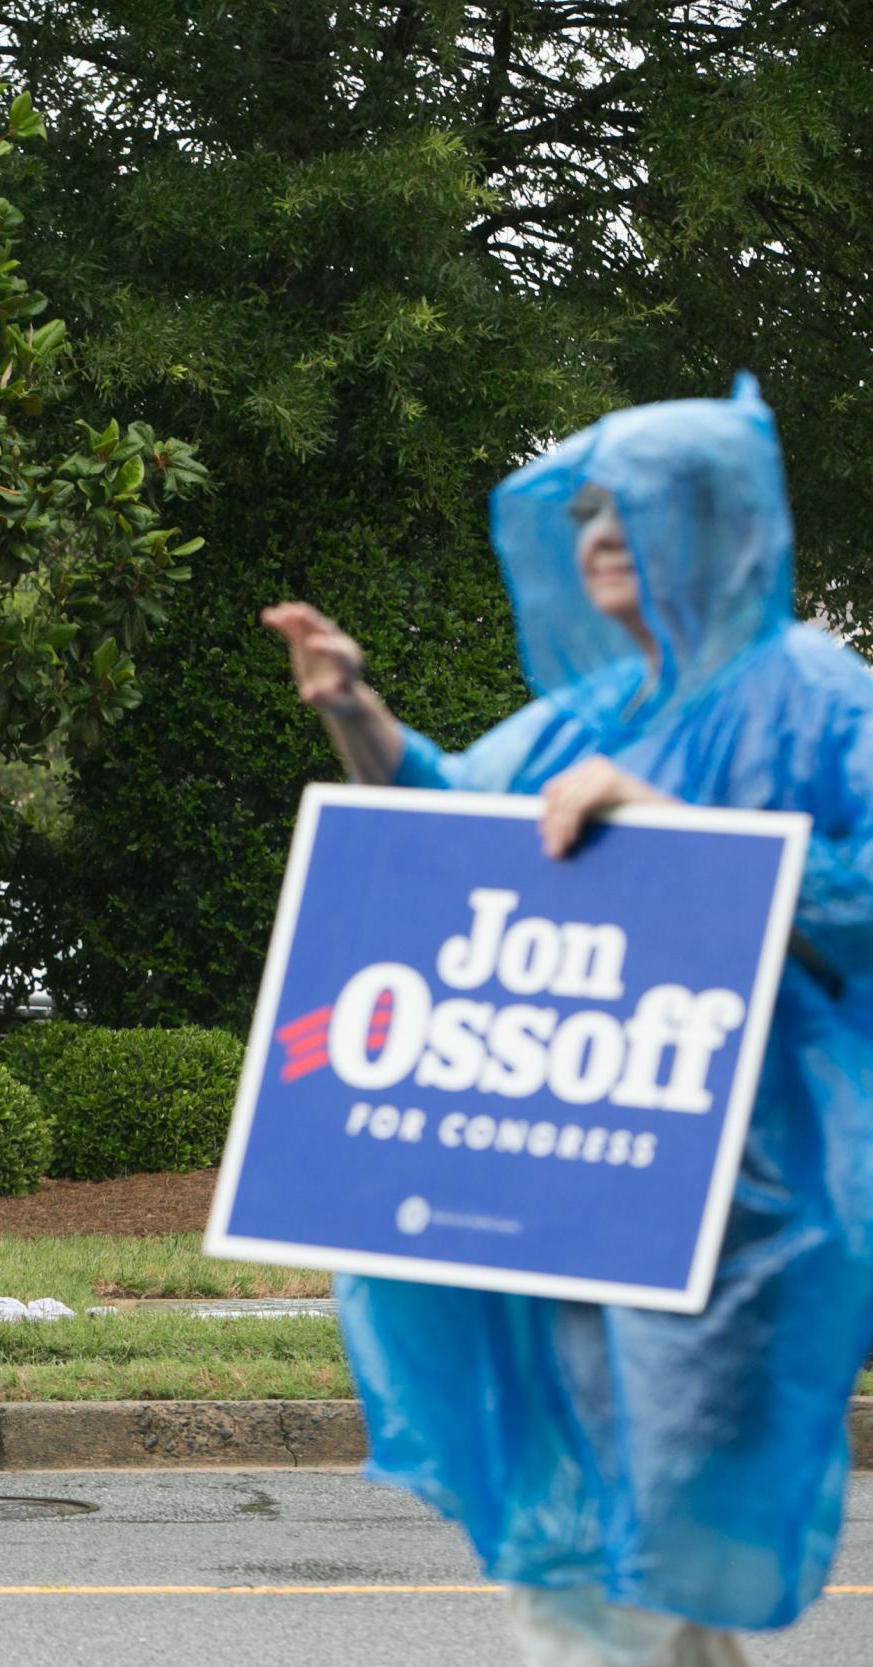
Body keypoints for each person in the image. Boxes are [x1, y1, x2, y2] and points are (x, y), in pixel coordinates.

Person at [265, 375, 873, 1664]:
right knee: (597, 1537)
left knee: (650, 1534)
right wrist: (354, 712)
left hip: (737, 1193)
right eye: (585, 511)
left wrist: (671, 825)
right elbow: (452, 823)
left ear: (711, 521)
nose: (598, 532)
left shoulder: (816, 693)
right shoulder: (585, 716)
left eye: (631, 507)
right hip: (567, 1174)